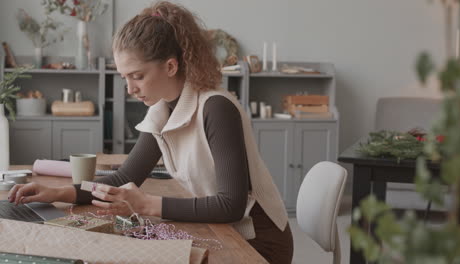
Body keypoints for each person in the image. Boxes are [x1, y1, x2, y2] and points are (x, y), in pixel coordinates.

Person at [7, 1, 293, 263]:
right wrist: (57, 192)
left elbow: (231, 205)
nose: (130, 89)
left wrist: (146, 204)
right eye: (124, 78)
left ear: (170, 66)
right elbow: (123, 179)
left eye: (138, 76)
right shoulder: (162, 110)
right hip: (221, 231)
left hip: (255, 244)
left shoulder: (216, 108)